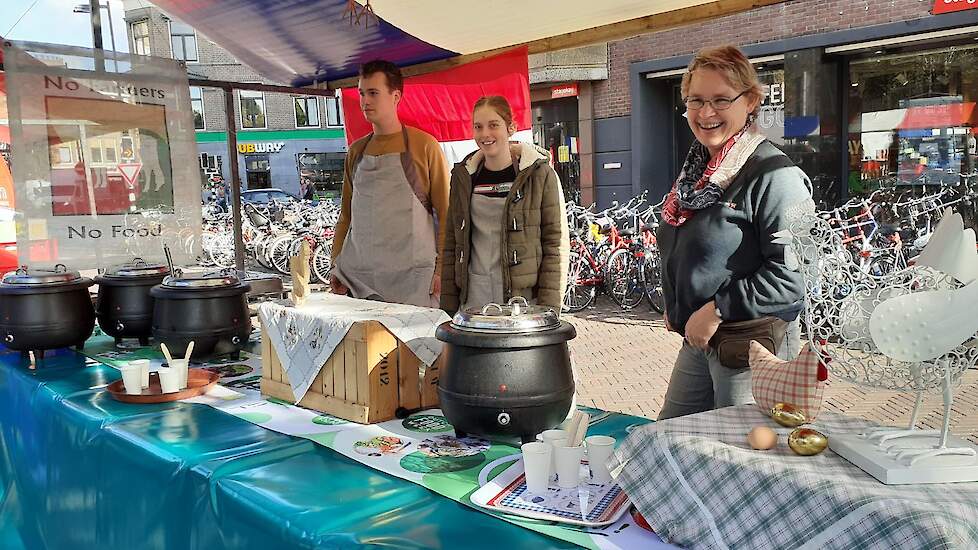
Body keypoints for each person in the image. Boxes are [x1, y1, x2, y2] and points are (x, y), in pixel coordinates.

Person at [656, 45, 812, 421]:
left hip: (751, 344)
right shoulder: (697, 170)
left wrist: (718, 308)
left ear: (751, 101)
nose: (706, 113)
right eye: (696, 100)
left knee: (741, 454)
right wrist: (678, 300)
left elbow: (794, 277)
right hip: (700, 337)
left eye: (721, 100)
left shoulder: (776, 175)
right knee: (672, 438)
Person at [329, 60, 450, 308]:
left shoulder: (424, 146)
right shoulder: (356, 151)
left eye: (373, 93)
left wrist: (442, 269)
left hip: (414, 280)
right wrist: (336, 265)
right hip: (360, 280)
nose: (365, 101)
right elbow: (346, 216)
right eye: (362, 93)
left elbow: (447, 212)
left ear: (396, 96)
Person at [440, 96, 569, 314]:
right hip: (474, 298)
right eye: (478, 127)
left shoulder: (540, 175)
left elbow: (555, 244)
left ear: (511, 128)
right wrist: (447, 309)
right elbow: (453, 244)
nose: (485, 134)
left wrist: (549, 309)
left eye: (493, 125)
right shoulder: (463, 177)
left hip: (523, 302)